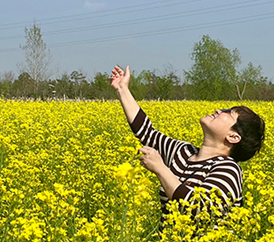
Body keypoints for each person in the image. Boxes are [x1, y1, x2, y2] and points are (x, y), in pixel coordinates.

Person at [110, 65, 265, 230]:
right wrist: (122, 89)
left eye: (228, 112)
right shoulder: (183, 152)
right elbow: (147, 133)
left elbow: (198, 211)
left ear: (233, 137)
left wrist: (161, 169)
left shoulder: (228, 169)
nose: (219, 110)